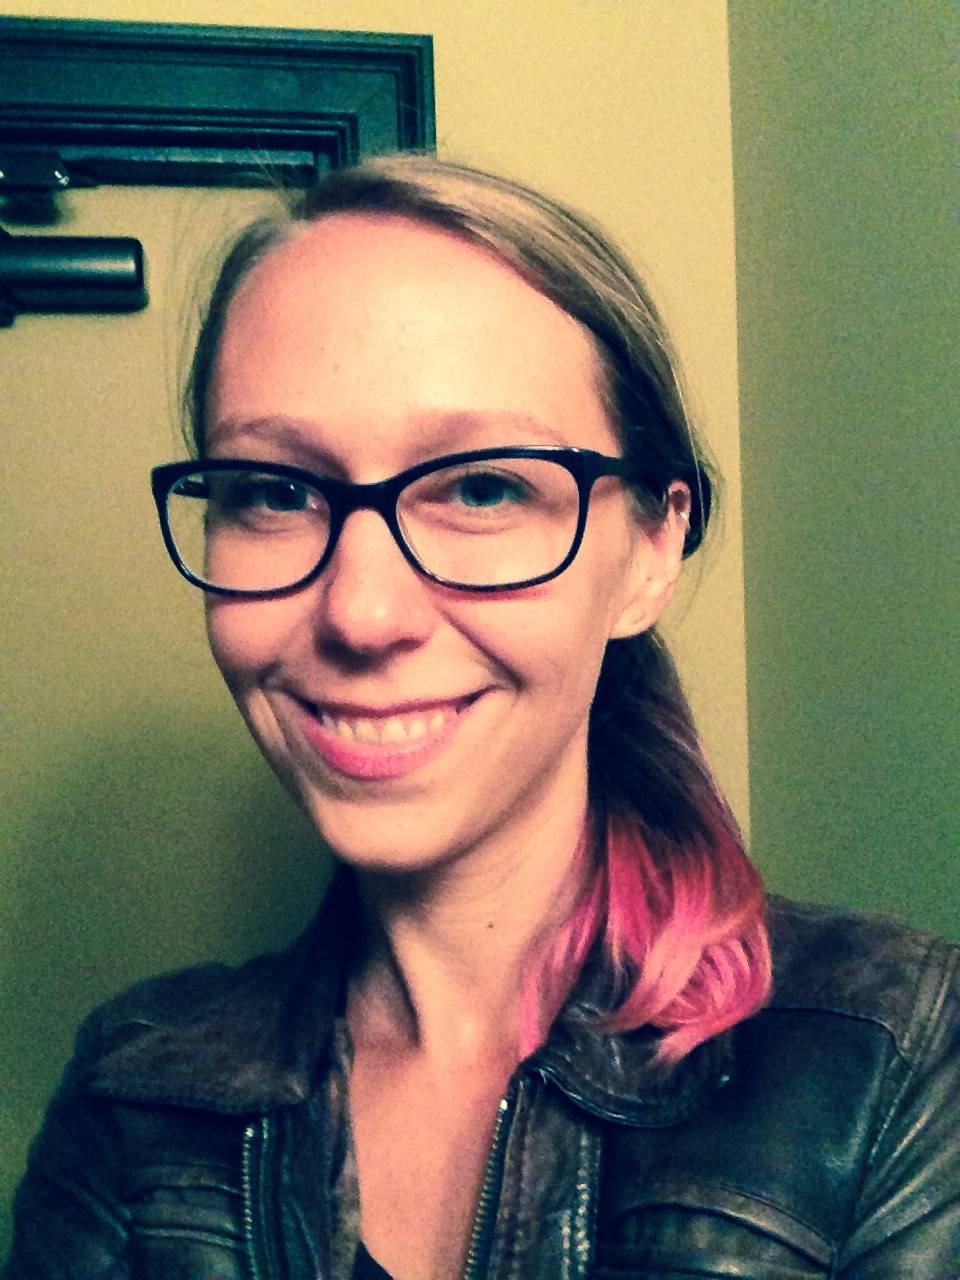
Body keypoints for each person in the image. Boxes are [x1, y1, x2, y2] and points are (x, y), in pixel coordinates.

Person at [4, 154, 958, 1280]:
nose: (360, 611)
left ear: (651, 550)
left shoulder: (892, 1062)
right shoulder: (136, 1096)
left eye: (482, 487)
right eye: (273, 489)